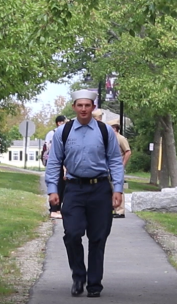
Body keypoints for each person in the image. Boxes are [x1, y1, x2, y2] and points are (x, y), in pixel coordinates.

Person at [45, 89, 124, 298]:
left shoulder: (104, 131)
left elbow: (115, 160)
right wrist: (52, 190)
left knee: (98, 238)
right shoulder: (65, 131)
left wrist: (118, 189)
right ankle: (78, 275)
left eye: (87, 105)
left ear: (93, 107)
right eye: (79, 105)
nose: (83, 109)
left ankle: (94, 284)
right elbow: (54, 161)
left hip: (100, 189)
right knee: (72, 234)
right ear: (73, 107)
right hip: (74, 188)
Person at [107, 118, 131, 218]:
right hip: (109, 167)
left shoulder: (120, 138)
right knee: (110, 188)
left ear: (115, 128)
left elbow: (128, 152)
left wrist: (122, 164)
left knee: (118, 187)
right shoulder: (110, 139)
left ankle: (120, 211)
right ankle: (113, 207)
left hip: (117, 167)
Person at [44, 115, 67, 220]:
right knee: (56, 183)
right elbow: (49, 147)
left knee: (62, 184)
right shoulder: (53, 133)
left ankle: (58, 209)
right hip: (54, 160)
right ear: (59, 122)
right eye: (64, 122)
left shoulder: (63, 132)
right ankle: (54, 209)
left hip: (62, 161)